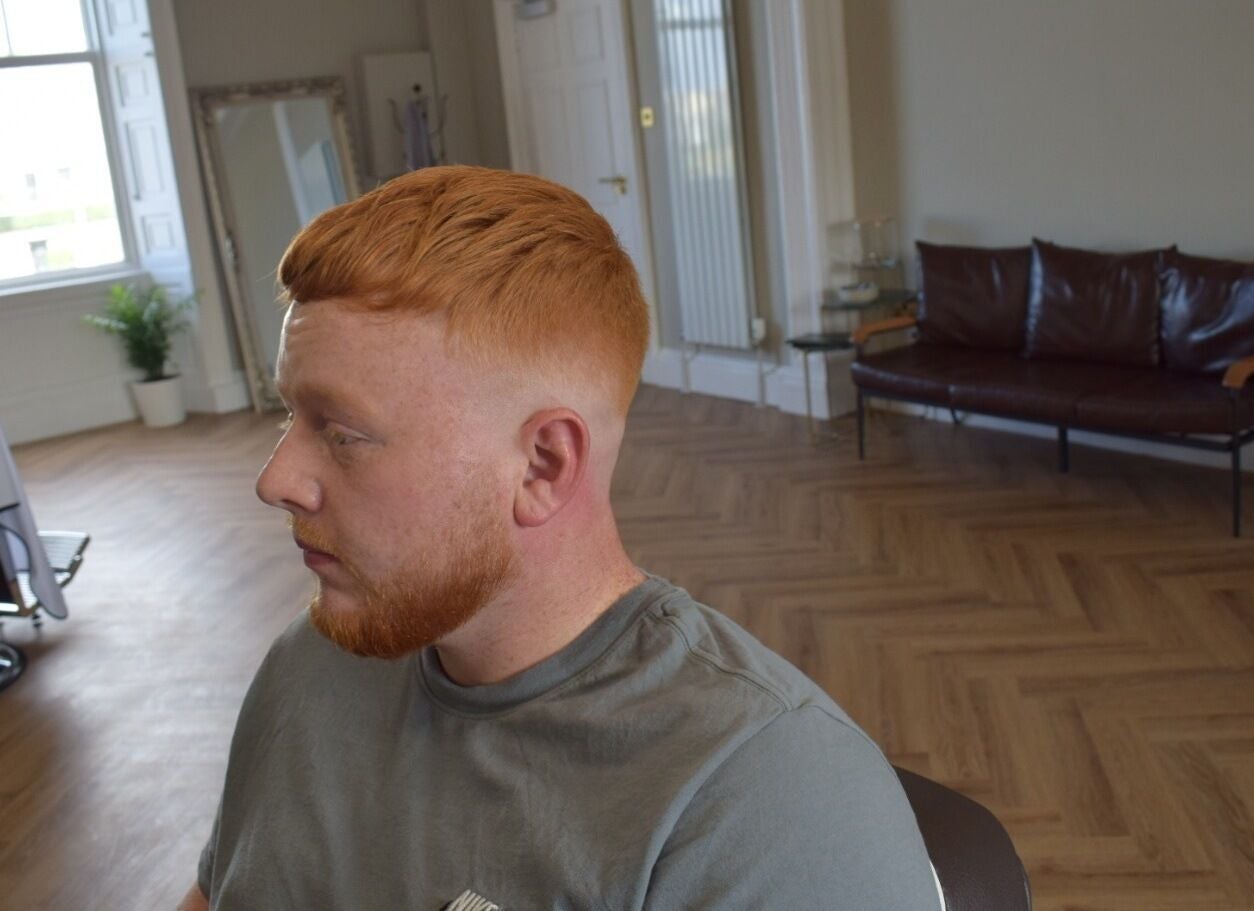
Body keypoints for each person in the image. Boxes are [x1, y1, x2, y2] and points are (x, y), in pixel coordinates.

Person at [180, 166, 941, 910]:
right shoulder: (309, 666)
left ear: (543, 465)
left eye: (341, 434)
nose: (276, 477)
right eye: (289, 416)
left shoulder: (765, 799)